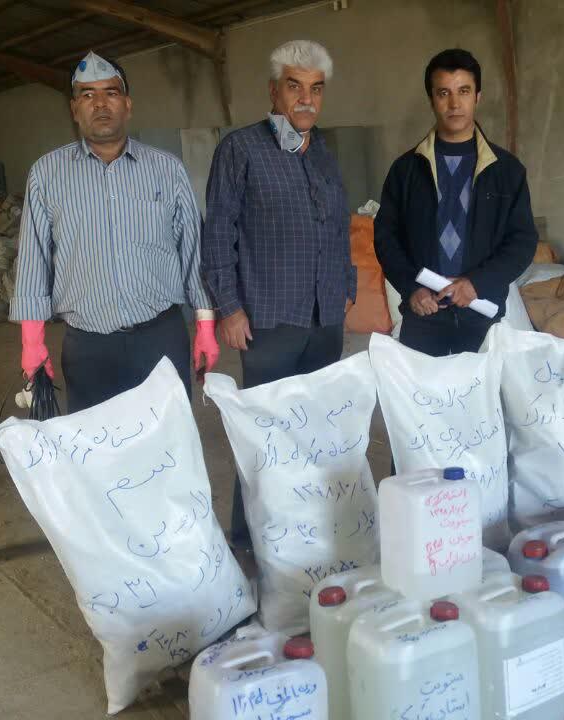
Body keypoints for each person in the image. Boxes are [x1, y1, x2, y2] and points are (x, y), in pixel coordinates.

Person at [202, 40, 354, 549]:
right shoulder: (240, 149)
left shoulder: (323, 152)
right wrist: (228, 307)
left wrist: (345, 285)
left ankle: (305, 530)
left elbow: (338, 227)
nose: (306, 99)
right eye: (295, 86)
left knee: (315, 428)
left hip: (324, 318)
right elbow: (218, 230)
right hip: (268, 318)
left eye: (316, 89)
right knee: (265, 433)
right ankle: (250, 537)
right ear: (274, 91)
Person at [10, 52, 218, 411]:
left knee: (168, 438)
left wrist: (206, 327)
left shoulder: (167, 170)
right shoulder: (47, 174)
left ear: (128, 105)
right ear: (74, 109)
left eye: (111, 92)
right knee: (98, 441)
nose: (100, 103)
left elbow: (193, 253)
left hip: (161, 339)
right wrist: (32, 343)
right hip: (88, 347)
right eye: (87, 95)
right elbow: (34, 261)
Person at [375, 48, 538, 356]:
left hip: (481, 313)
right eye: (443, 93)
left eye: (463, 91)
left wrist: (477, 283)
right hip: (423, 313)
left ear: (477, 96)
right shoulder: (406, 170)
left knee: (481, 388)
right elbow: (386, 238)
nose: (454, 104)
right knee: (422, 388)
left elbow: (523, 241)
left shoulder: (506, 170)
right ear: (431, 99)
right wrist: (411, 288)